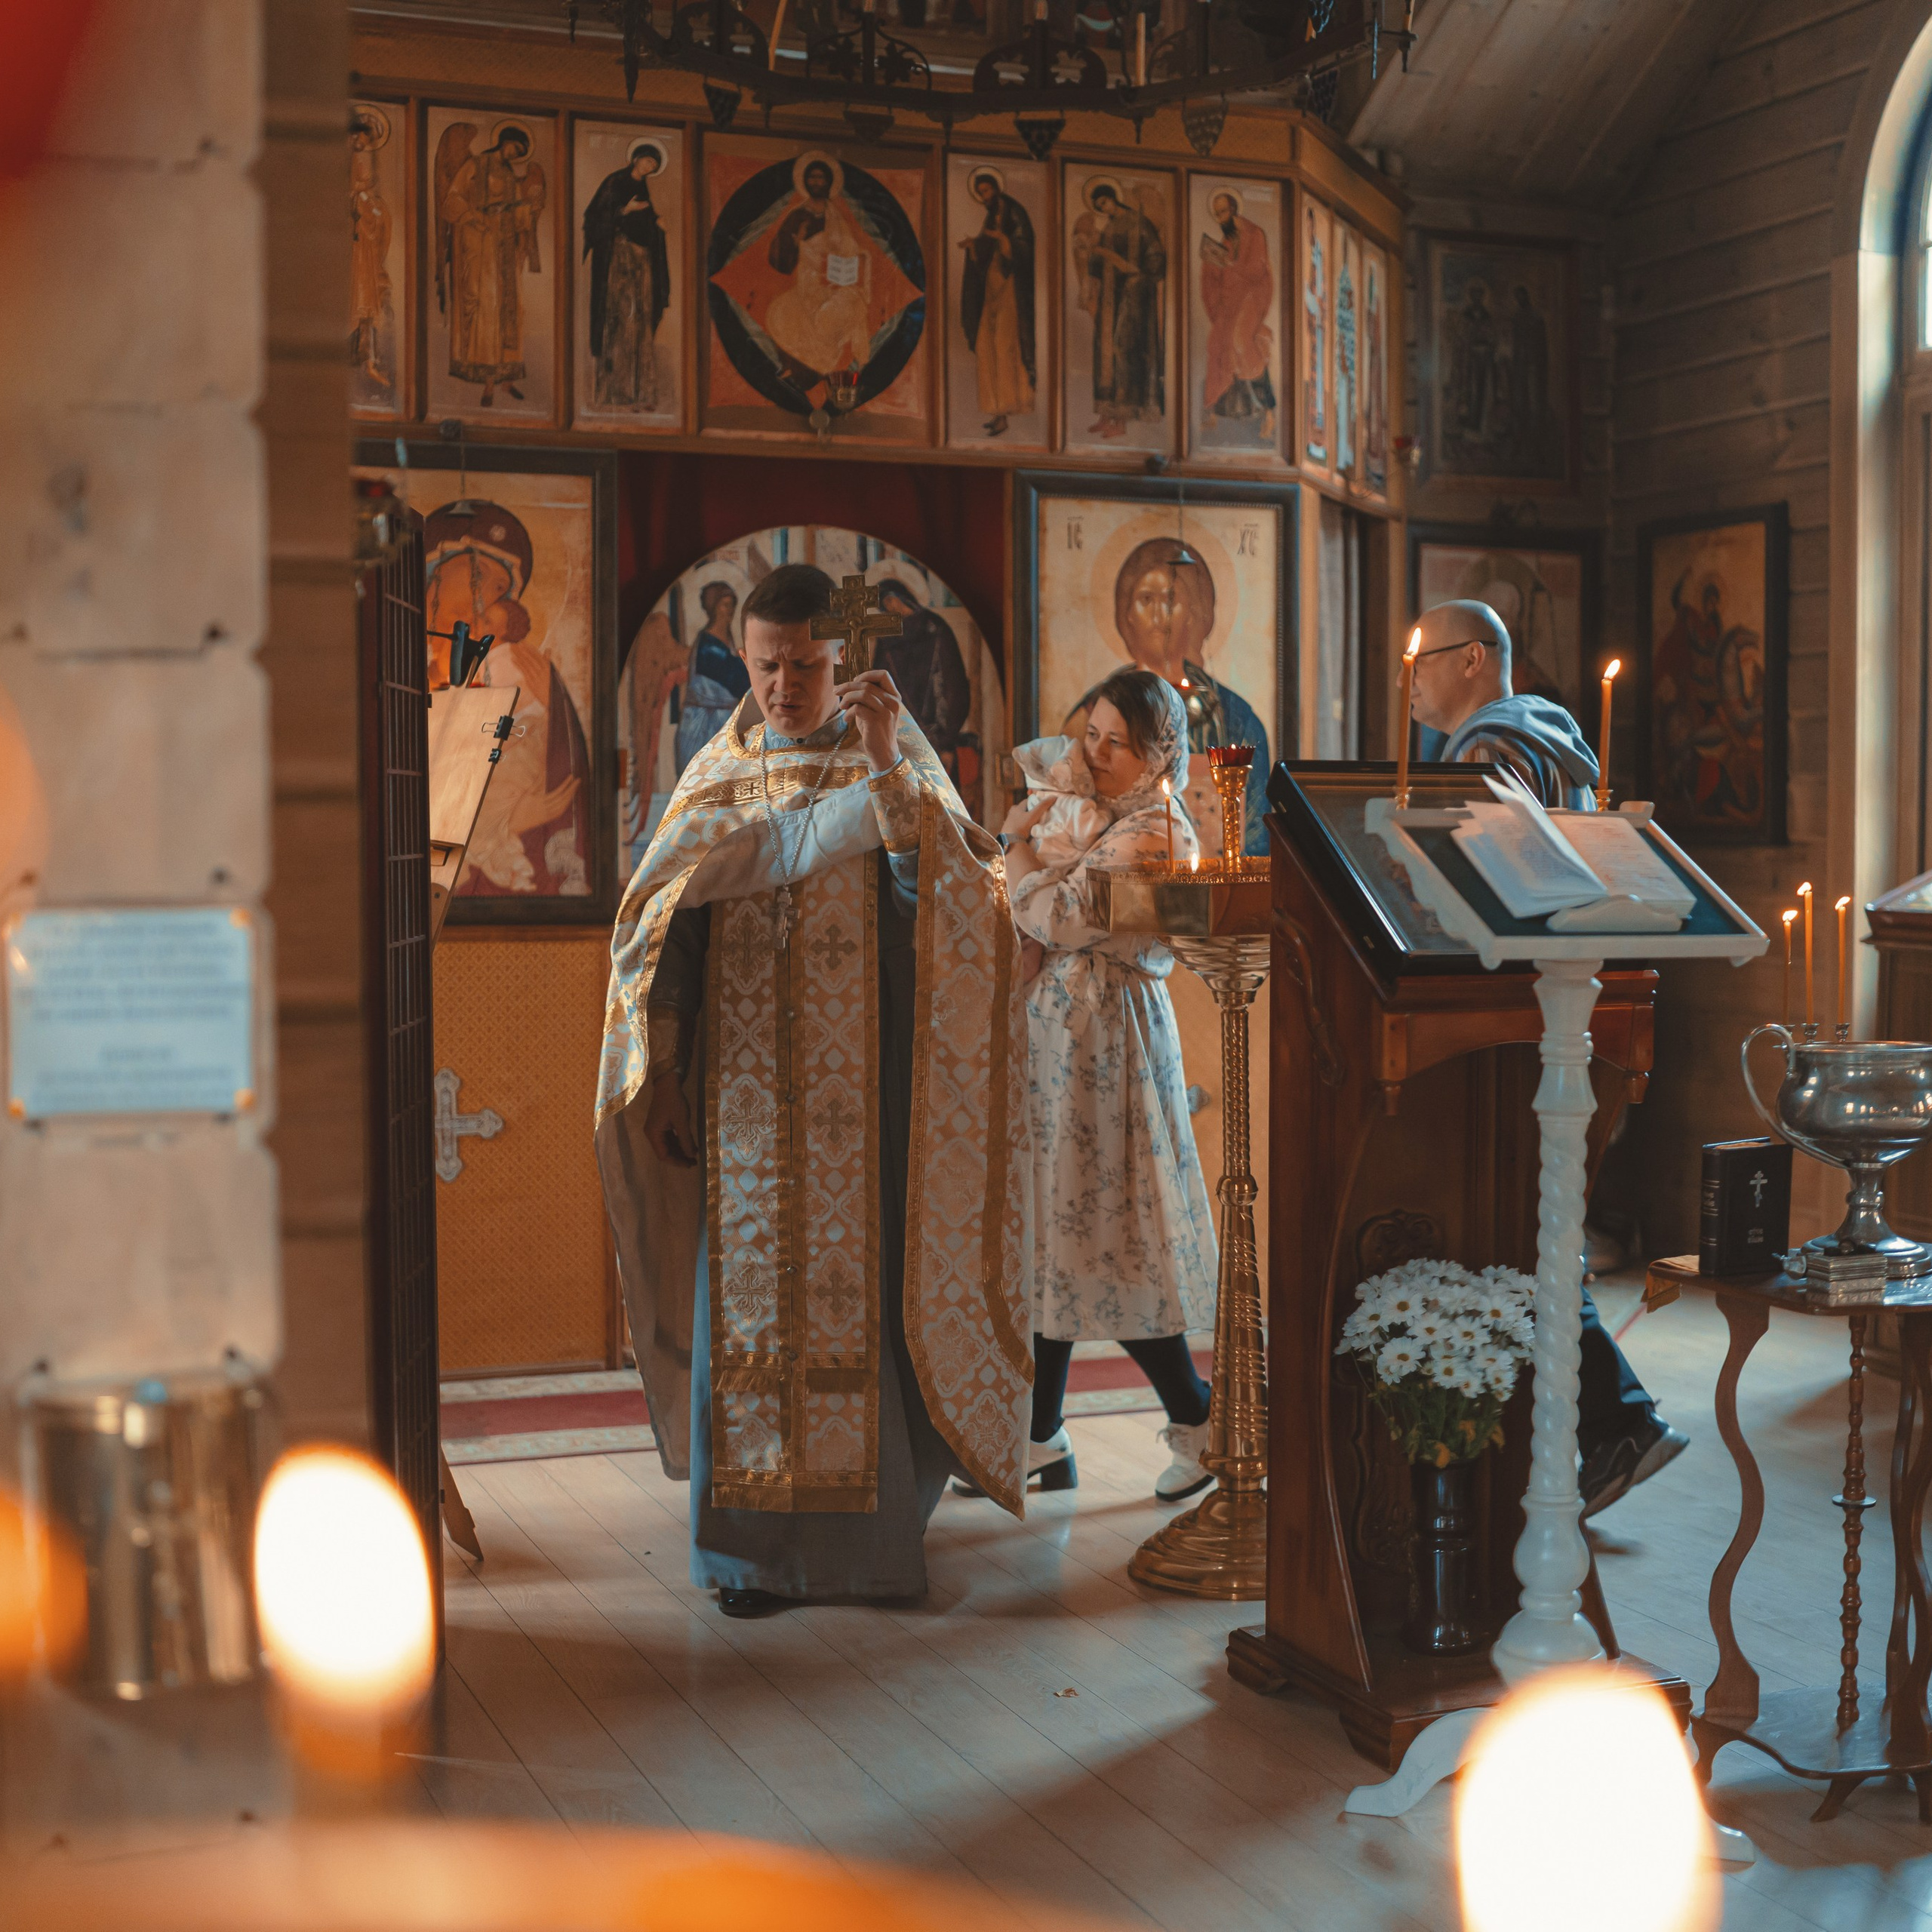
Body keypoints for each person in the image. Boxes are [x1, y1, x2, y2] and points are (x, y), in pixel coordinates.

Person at [595, 564, 1032, 1618]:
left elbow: (961, 910)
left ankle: (871, 1553)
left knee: (864, 1316)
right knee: (748, 1321)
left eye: (805, 665)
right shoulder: (716, 774)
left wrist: (886, 773)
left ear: (844, 661)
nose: (785, 685)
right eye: (766, 664)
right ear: (743, 660)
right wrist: (661, 1071)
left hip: (869, 1101)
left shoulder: (893, 755)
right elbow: (666, 937)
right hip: (742, 1102)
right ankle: (751, 1558)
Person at [1407, 597, 1690, 1517]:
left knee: (1523, 1228)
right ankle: (1597, 1431)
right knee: (1541, 1222)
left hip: (1507, 1005)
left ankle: (1617, 1423)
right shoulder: (1549, 741)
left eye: (1426, 657)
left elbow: (1490, 883)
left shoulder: (1487, 748)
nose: (1411, 675)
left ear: (1476, 659)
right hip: (1569, 1001)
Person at [971, 670, 1220, 1502]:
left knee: (1116, 1236)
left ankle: (1199, 1420)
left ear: (1160, 754)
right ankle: (1040, 1437)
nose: (1096, 753)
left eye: (1118, 741)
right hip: (1065, 1044)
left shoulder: (1154, 831)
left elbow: (1053, 914)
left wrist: (1016, 851)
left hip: (1107, 1046)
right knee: (1055, 1235)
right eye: (1093, 734)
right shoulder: (1104, 816)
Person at [1068, 538, 1272, 856]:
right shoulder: (1093, 710)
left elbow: (1257, 833)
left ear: (1193, 612)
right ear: (1127, 613)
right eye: (1145, 598)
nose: (1159, 613)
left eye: (1172, 598)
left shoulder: (1235, 716)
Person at [434, 121, 547, 408]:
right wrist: (476, 219)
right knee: (487, 309)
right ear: (504, 141)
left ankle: (506, 379)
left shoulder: (510, 176)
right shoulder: (476, 165)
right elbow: (453, 201)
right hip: (480, 246)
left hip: (505, 250)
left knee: (510, 311)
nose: (515, 154)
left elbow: (518, 214)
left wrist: (531, 207)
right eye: (514, 147)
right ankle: (487, 383)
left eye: (521, 152)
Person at [582, 139, 671, 411]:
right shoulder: (615, 183)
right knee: (620, 320)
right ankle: (614, 392)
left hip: (640, 260)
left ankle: (641, 393)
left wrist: (655, 222)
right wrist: (624, 211)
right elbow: (594, 217)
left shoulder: (642, 187)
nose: (649, 167)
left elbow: (644, 221)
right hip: (619, 259)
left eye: (654, 166)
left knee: (640, 321)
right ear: (636, 159)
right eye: (647, 161)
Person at [1075, 179, 1165, 439]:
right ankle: (1106, 414)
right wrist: (1089, 253)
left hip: (1134, 294)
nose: (1105, 208)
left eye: (1106, 202)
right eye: (1100, 206)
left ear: (1114, 197)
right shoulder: (1110, 227)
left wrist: (1137, 271)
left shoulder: (1138, 223)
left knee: (1123, 348)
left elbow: (1156, 258)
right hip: (1111, 296)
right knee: (1105, 353)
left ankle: (1122, 421)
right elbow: (1096, 262)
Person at [958, 166, 1035, 437]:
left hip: (1011, 290)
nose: (983, 196)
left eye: (986, 190)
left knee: (1004, 346)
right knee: (986, 345)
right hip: (992, 288)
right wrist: (974, 246)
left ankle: (1008, 409)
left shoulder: (1015, 211)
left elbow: (1025, 247)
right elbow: (985, 246)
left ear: (996, 188)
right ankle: (997, 411)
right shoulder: (992, 215)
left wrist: (1004, 240)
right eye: (980, 193)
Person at [1198, 189, 1275, 438]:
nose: (1221, 219)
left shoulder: (1254, 234)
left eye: (1223, 212)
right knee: (1217, 343)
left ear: (1233, 210)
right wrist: (1212, 264)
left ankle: (1269, 410)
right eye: (1217, 215)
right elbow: (1213, 281)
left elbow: (1255, 270)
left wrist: (1231, 266)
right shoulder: (1226, 243)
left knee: (1241, 340)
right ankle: (1215, 410)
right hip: (1230, 302)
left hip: (1252, 297)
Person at [672, 580, 749, 774]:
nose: (730, 610)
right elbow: (736, 679)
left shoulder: (729, 641)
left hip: (724, 721)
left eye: (732, 605)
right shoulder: (708, 645)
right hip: (702, 725)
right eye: (725, 605)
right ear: (714, 608)